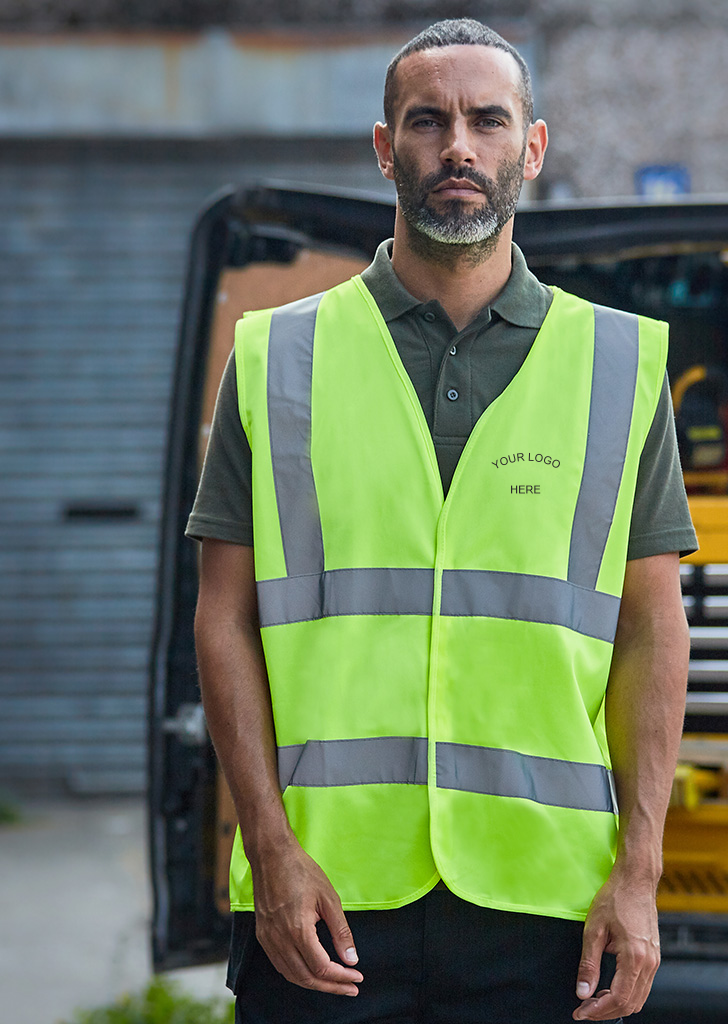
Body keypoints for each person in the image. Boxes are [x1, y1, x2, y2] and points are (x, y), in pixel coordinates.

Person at [189, 18, 695, 1024]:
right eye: (427, 121)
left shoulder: (618, 368)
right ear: (386, 149)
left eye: (486, 120)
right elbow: (223, 618)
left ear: (531, 148)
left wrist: (639, 868)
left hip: (543, 905)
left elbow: (652, 629)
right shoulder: (274, 358)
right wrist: (270, 845)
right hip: (326, 900)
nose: (457, 146)